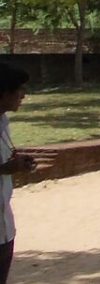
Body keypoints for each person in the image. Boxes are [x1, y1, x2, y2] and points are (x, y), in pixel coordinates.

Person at [0, 62, 37, 283]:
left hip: (5, 226)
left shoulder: (3, 122)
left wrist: (16, 164)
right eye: (19, 90)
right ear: (4, 93)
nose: (23, 95)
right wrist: (6, 168)